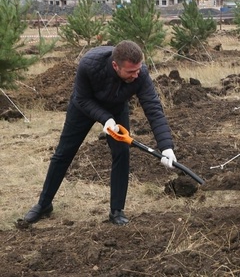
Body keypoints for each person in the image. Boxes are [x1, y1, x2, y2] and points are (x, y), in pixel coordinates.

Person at [23, 40, 178, 225]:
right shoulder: (89, 64)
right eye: (130, 72)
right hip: (83, 107)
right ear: (115, 65)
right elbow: (81, 98)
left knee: (121, 152)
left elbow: (153, 108)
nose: (136, 75)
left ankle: (117, 211)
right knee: (63, 153)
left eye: (138, 70)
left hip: (116, 109)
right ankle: (44, 204)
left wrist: (166, 146)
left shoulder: (140, 73)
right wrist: (105, 119)